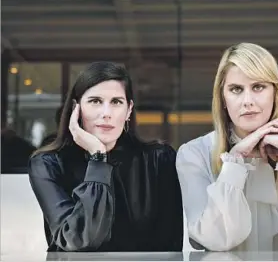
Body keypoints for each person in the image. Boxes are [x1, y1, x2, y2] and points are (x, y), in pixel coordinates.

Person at [176, 43, 278, 252]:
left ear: (275, 92)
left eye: (258, 87)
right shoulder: (194, 154)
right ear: (223, 98)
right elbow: (213, 240)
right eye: (236, 89)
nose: (248, 101)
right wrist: (233, 165)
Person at [28, 62, 184, 252]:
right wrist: (98, 159)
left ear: (129, 110)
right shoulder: (48, 164)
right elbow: (78, 239)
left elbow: (170, 248)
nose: (106, 113)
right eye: (95, 101)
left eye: (117, 102)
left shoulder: (160, 160)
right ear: (76, 108)